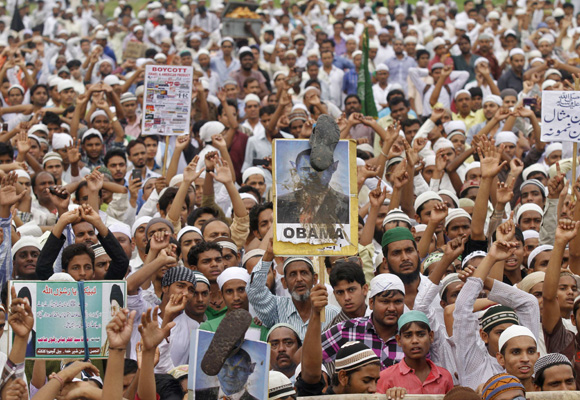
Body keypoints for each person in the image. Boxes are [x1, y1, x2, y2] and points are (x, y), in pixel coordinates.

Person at [376, 310, 454, 395]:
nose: (415, 341)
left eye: (421, 334)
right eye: (408, 336)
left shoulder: (444, 377)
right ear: (399, 340)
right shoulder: (385, 377)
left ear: (431, 336)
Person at [276, 148, 349, 224]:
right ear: (295, 169)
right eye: (305, 169)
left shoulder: (347, 204)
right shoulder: (281, 203)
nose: (312, 174)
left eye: (319, 169)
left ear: (333, 168)